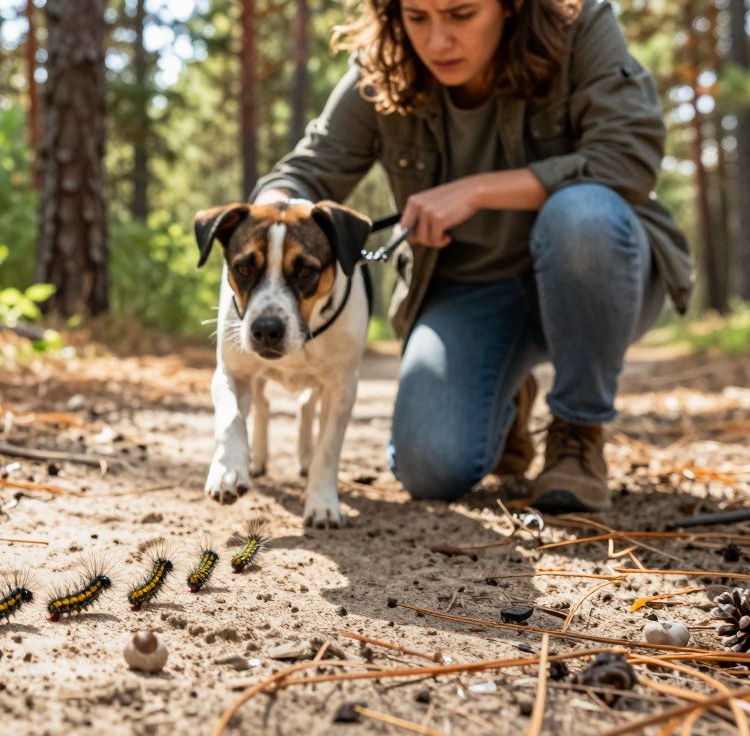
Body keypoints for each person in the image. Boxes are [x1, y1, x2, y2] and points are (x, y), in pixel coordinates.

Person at [251, 0, 691, 512]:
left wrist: (477, 191)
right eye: (417, 17)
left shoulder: (581, 23)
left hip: (598, 270)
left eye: (461, 15)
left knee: (583, 214)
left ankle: (577, 431)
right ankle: (508, 395)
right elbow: (309, 169)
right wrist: (266, 219)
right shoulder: (384, 64)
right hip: (469, 292)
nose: (438, 41)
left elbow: (628, 156)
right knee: (430, 466)